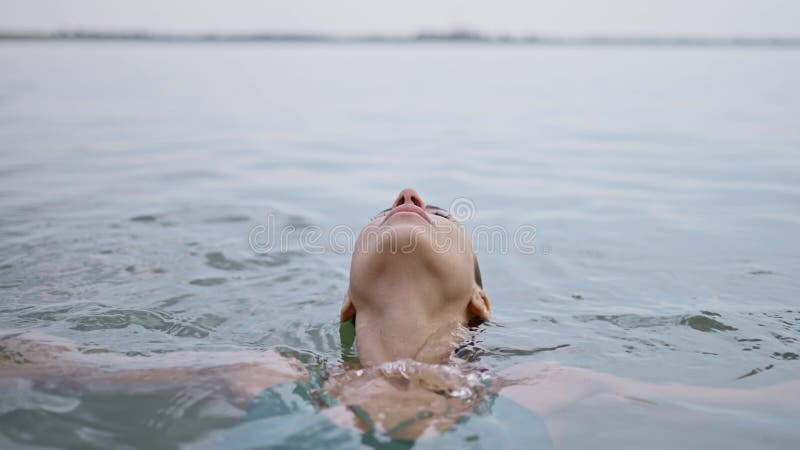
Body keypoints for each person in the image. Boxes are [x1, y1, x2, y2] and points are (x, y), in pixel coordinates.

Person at [1, 188, 798, 448]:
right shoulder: (258, 372)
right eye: (392, 206)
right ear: (347, 304)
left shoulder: (553, 382)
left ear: (480, 304)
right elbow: (39, 364)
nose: (409, 194)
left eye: (435, 207)